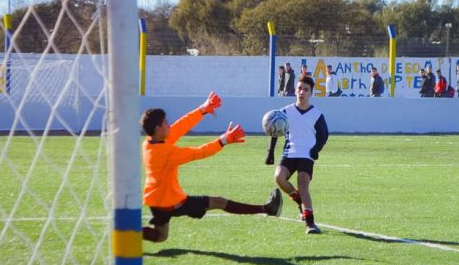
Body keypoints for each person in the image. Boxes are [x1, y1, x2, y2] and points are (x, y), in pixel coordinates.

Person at [140, 92, 282, 243]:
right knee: (219, 202)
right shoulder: (165, 153)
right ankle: (267, 209)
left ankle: (130, 232)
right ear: (157, 128)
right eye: (165, 123)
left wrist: (203, 109)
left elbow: (181, 126)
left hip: (155, 200)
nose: (169, 125)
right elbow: (199, 152)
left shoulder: (149, 143)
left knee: (161, 236)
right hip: (171, 203)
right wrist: (223, 140)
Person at [265, 75, 329, 234]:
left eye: (306, 89)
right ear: (295, 90)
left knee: (302, 183)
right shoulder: (285, 111)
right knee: (279, 177)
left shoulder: (317, 114)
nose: (302, 92)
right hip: (289, 153)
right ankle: (298, 199)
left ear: (311, 93)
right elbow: (274, 131)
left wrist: (316, 150)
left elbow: (324, 135)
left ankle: (310, 223)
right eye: (300, 88)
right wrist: (270, 152)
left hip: (306, 155)